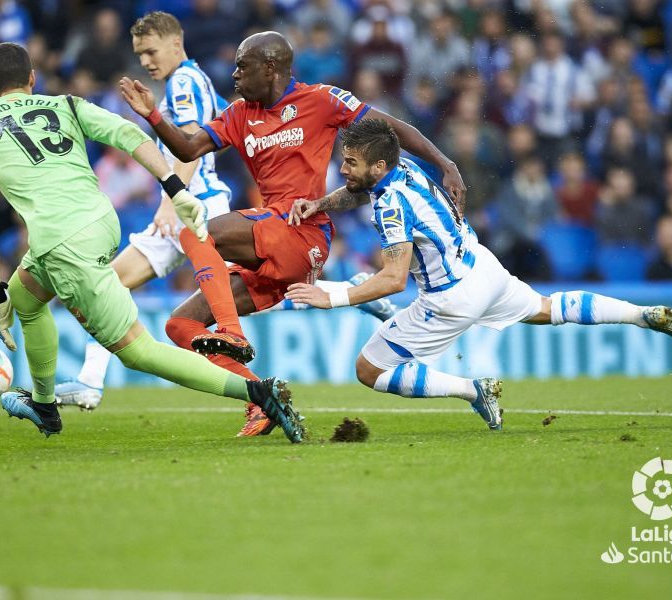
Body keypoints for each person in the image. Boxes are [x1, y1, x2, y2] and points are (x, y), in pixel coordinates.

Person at [0, 42, 304, 442]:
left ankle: (258, 392)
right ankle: (44, 405)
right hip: (102, 223)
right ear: (32, 79)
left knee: (138, 351)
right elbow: (127, 132)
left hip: (61, 241)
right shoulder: (65, 104)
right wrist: (174, 188)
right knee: (25, 298)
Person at [118, 30, 466, 436]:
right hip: (273, 246)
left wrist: (445, 163)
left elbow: (392, 130)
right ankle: (260, 398)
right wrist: (153, 116)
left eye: (242, 66)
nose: (234, 75)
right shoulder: (238, 113)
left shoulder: (322, 99)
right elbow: (188, 148)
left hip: (304, 231)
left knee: (194, 233)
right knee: (180, 325)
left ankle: (232, 332)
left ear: (270, 68)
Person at [55, 13, 394, 420]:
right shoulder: (218, 93)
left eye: (151, 51)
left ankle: (96, 378)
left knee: (109, 286)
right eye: (139, 54)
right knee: (161, 306)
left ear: (176, 43)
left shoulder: (183, 82)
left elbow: (189, 144)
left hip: (194, 204)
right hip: (202, 206)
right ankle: (264, 383)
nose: (145, 61)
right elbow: (206, 133)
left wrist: (172, 198)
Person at [285, 119, 672, 430]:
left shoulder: (389, 205)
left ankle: (471, 389)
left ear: (377, 165)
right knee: (547, 308)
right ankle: (640, 315)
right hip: (483, 267)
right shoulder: (403, 167)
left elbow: (394, 278)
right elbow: (360, 190)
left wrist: (332, 298)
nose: (343, 168)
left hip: (449, 298)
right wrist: (320, 204)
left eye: (350, 162)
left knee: (368, 369)